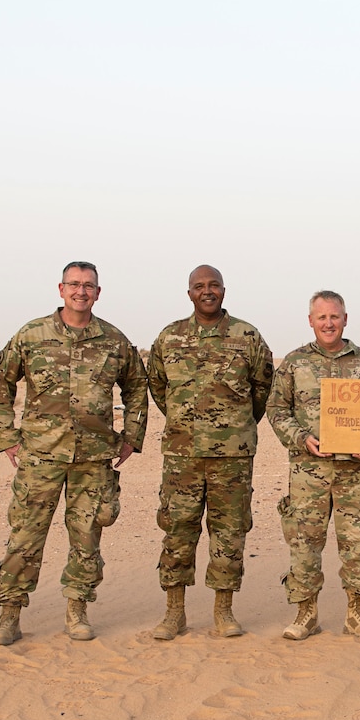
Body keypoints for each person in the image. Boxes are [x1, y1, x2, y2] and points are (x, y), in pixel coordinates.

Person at [0, 261, 147, 645]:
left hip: (93, 458)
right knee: (25, 536)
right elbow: (0, 381)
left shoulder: (113, 340)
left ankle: (77, 610)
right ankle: (10, 615)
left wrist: (132, 436)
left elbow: (137, 387)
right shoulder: (33, 334)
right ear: (60, 289)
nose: (81, 291)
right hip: (41, 454)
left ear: (98, 292)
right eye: (74, 284)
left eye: (88, 286)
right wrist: (6, 436)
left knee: (87, 536)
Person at [146, 265, 274, 639]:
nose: (207, 291)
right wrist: (185, 422)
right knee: (177, 531)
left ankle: (224, 610)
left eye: (213, 285)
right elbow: (158, 386)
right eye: (199, 286)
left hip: (232, 458)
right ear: (189, 293)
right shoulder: (169, 337)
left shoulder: (246, 335)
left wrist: (237, 426)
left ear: (224, 290)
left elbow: (262, 388)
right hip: (182, 456)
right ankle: (174, 612)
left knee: (229, 534)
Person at [268, 291, 360, 641]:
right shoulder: (294, 363)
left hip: (358, 473)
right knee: (304, 543)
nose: (328, 323)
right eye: (321, 317)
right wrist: (301, 437)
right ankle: (306, 613)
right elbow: (277, 410)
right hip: (310, 472)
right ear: (310, 321)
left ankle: (357, 613)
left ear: (345, 319)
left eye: (334, 316)